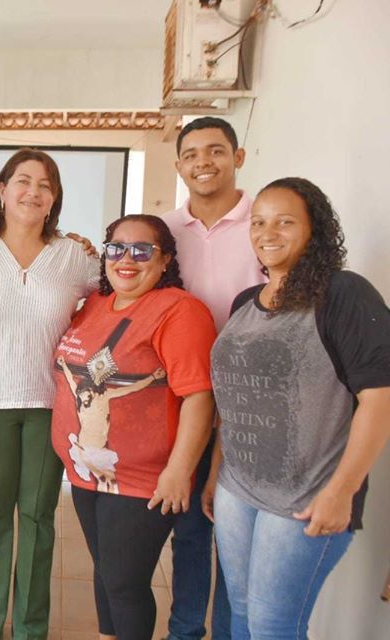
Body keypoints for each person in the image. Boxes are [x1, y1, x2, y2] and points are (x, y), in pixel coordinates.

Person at [209, 177, 390, 640]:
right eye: (258, 222)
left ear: (315, 229)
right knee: (241, 615)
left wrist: (342, 491)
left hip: (305, 497)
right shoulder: (245, 303)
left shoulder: (342, 294)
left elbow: (380, 397)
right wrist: (215, 473)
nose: (268, 233)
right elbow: (234, 398)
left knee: (274, 626)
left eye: (285, 222)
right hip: (237, 489)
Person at [51, 214, 216, 640]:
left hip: (144, 479)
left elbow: (199, 397)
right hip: (86, 469)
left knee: (125, 584)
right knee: (107, 573)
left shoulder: (179, 310)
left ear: (165, 261)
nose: (127, 259)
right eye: (117, 248)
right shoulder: (95, 305)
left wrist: (178, 472)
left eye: (142, 251)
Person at [0, 148, 99, 640]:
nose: (33, 192)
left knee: (39, 514)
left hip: (51, 403)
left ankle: (30, 627)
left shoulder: (74, 257)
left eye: (45, 185)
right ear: (2, 190)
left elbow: (117, 300)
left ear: (54, 199)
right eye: (23, 181)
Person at [161, 116, 264, 640]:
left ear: (238, 157)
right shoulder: (167, 230)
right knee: (189, 529)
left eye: (216, 151)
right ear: (179, 166)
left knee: (237, 534)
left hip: (250, 403)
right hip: (185, 399)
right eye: (192, 154)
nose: (204, 162)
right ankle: (184, 631)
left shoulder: (262, 221)